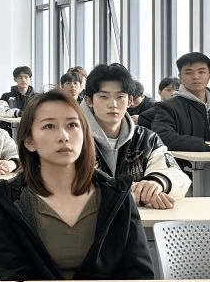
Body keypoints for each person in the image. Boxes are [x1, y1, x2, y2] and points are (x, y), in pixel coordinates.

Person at [0, 91, 154, 281]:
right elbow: (10, 276)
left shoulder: (117, 195)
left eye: (72, 125)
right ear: (29, 141)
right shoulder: (8, 200)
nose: (64, 136)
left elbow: (138, 273)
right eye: (49, 126)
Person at [80, 64, 189, 208]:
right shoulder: (75, 139)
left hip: (138, 219)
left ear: (130, 101)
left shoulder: (146, 139)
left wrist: (156, 183)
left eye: (120, 97)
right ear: (89, 100)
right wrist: (131, 194)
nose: (113, 104)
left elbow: (180, 178)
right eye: (104, 96)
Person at [152, 52, 210, 152]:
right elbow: (162, 136)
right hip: (186, 162)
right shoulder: (168, 107)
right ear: (180, 77)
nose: (196, 77)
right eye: (188, 72)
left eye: (201, 72)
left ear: (209, 74)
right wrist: (202, 145)